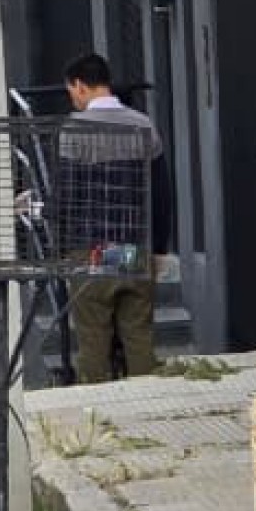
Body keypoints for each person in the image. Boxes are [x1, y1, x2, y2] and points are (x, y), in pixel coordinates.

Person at [59, 52, 162, 384]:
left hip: (90, 249)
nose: (72, 98)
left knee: (92, 342)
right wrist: (158, 247)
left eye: (71, 90)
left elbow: (67, 195)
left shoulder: (74, 130)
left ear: (80, 85)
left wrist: (61, 245)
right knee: (139, 336)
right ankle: (151, 407)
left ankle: (98, 418)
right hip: (133, 247)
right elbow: (162, 192)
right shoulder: (143, 125)